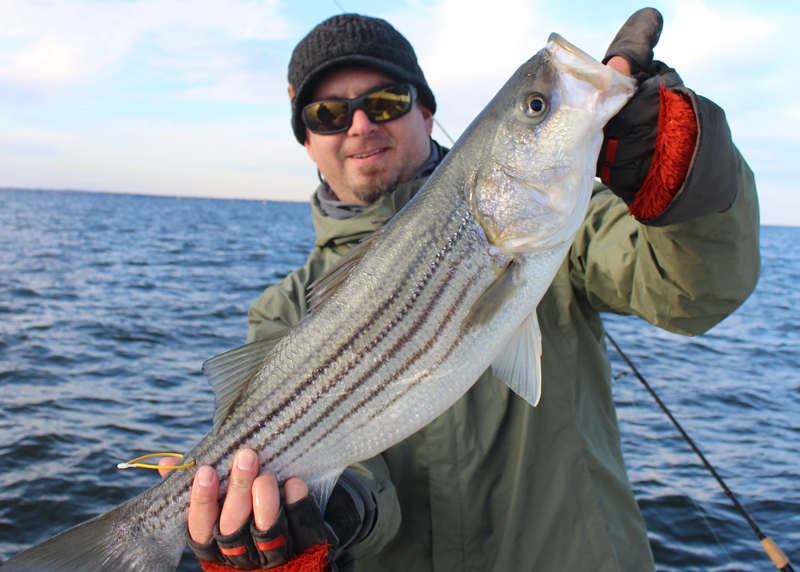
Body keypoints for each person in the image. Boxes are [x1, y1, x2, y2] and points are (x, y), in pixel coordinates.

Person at [162, 9, 760, 572]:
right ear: (307, 141)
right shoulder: (284, 311)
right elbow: (357, 480)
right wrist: (336, 515)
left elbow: (695, 291)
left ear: (426, 113)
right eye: (327, 114)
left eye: (385, 102)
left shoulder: (573, 225)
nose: (361, 125)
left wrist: (690, 173)